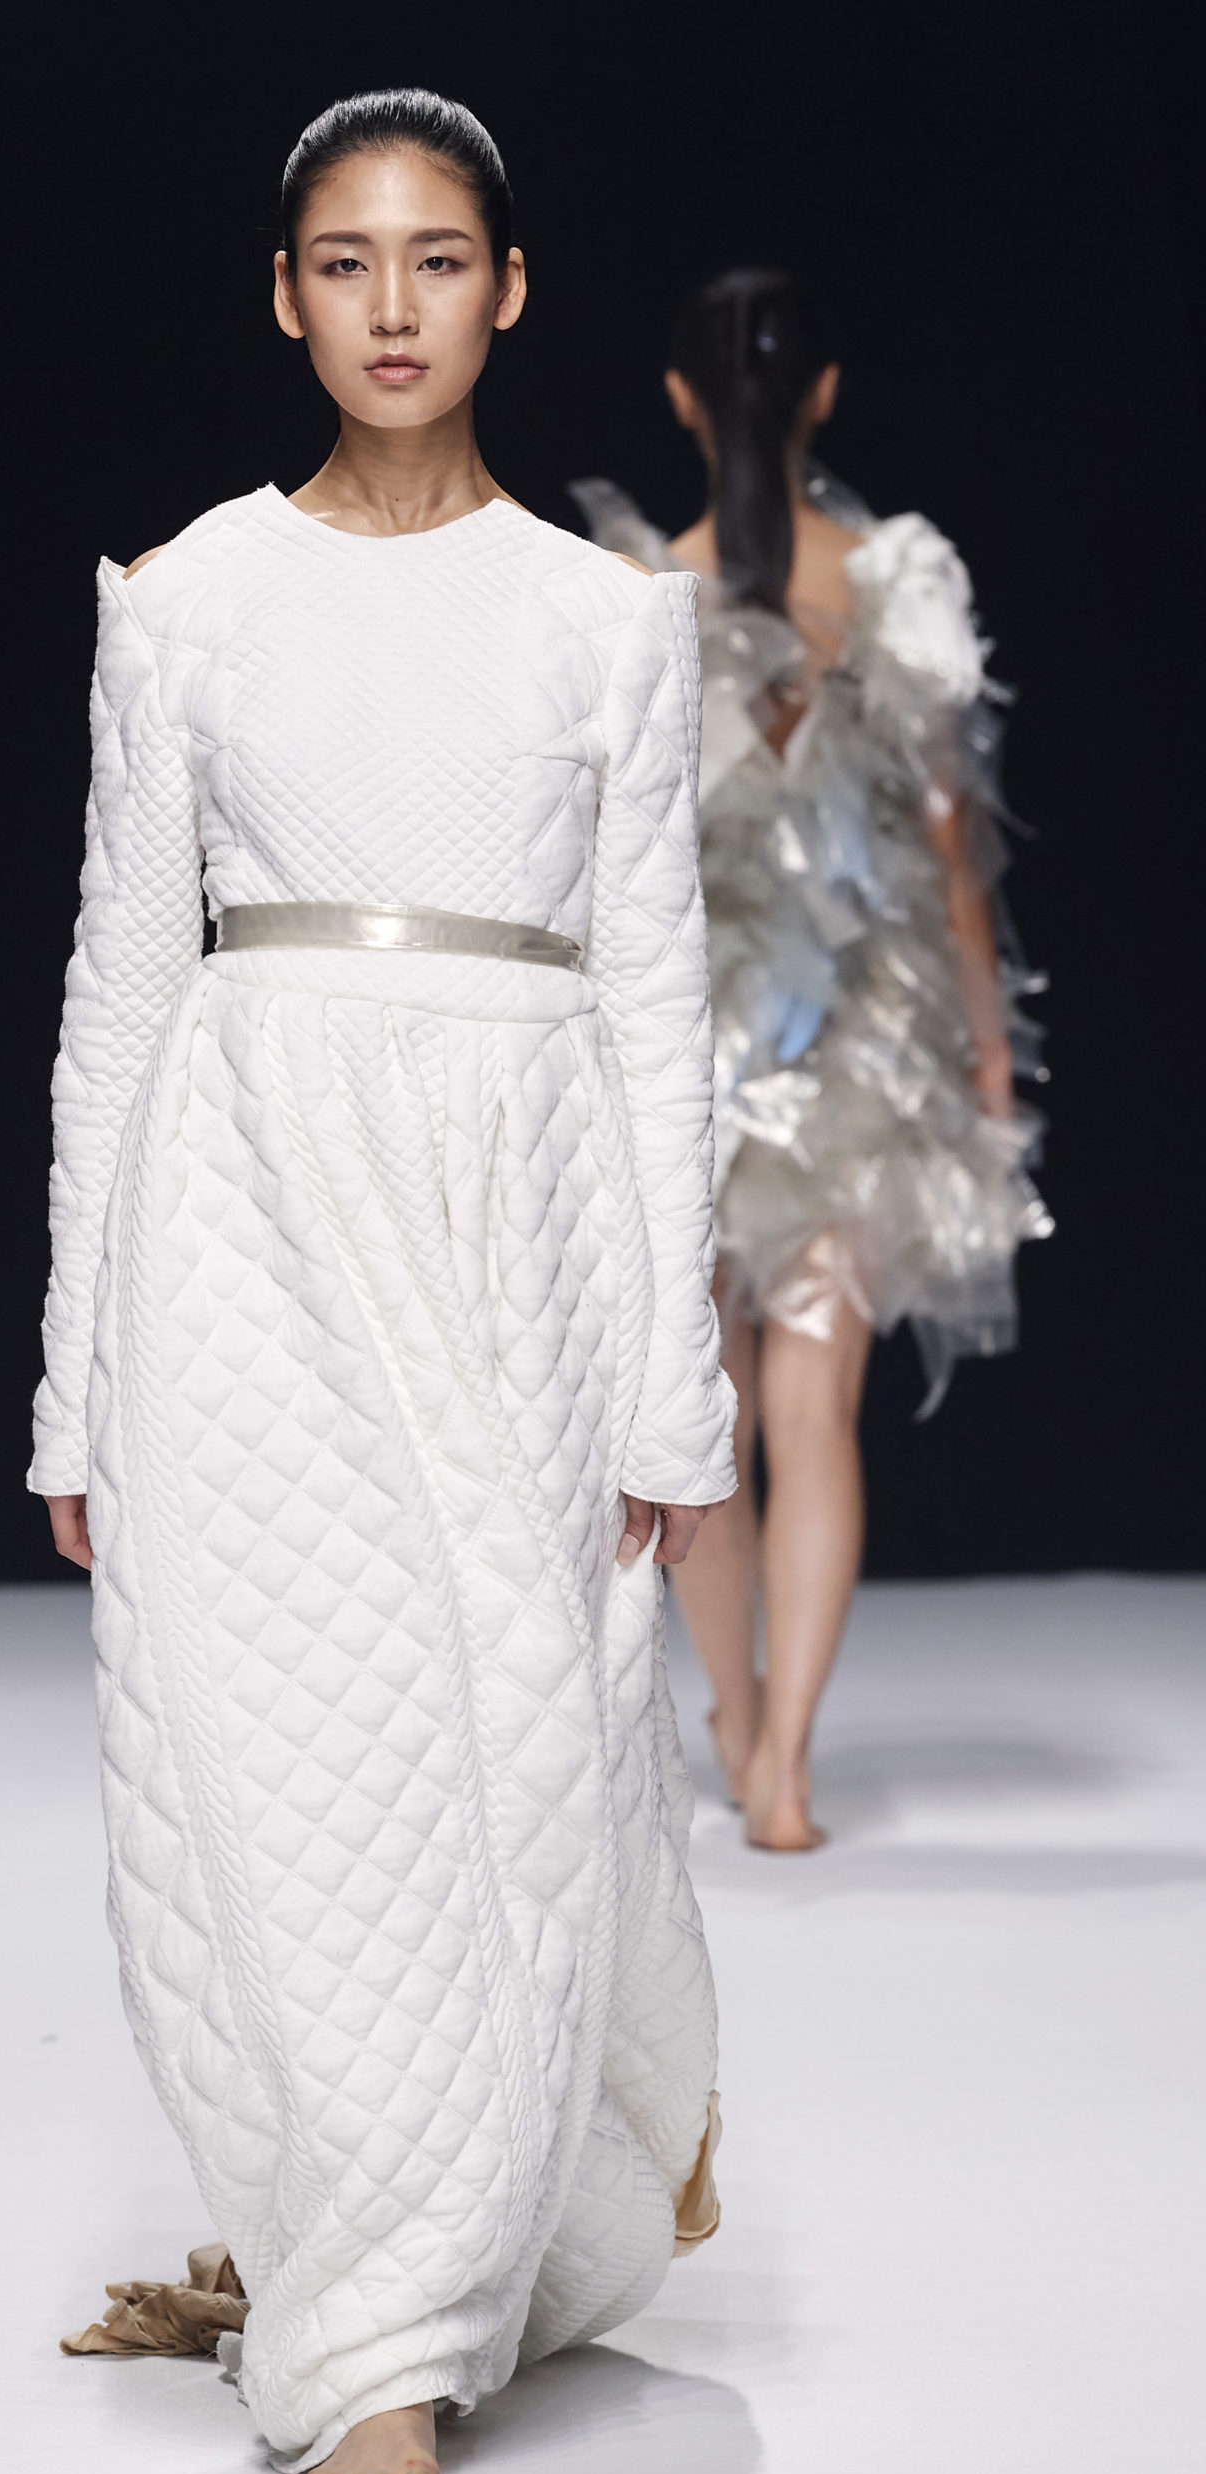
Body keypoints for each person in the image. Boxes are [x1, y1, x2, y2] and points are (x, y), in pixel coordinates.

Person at [27, 90, 735, 2474]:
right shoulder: (188, 599)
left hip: (522, 1217)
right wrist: (71, 1377)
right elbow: (122, 992)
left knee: (515, 1757)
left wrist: (676, 1379)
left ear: (509, 293)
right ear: (286, 296)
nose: (395, 304)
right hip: (241, 1212)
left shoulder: (604, 625)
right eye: (348, 261)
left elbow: (659, 1002)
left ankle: (449, 2235)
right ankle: (382, 2326)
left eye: (440, 259)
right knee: (288, 1757)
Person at [573, 269, 1051, 1855]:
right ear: (826, 396)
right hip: (859, 1043)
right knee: (814, 1409)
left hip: (688, 1052)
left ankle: (737, 1715)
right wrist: (988, 1052)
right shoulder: (897, 583)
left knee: (702, 1416)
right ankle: (783, 1764)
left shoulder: (634, 596)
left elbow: (602, 867)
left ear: (679, 401)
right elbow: (952, 848)